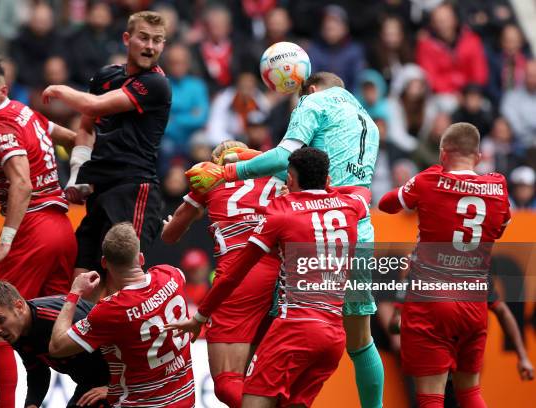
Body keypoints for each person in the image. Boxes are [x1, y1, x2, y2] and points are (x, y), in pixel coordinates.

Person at [186, 72, 384, 408]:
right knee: (362, 342)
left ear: (310, 89)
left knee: (280, 326)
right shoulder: (368, 120)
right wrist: (250, 154)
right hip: (355, 231)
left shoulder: (313, 103)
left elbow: (284, 161)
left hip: (306, 232)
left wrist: (230, 169)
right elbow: (325, 177)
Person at [169, 147, 371, 407]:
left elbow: (233, 275)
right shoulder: (351, 205)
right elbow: (367, 194)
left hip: (294, 327)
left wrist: (199, 318)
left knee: (245, 396)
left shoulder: (283, 210)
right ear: (328, 180)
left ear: (290, 179)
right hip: (333, 336)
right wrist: (251, 156)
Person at [0, 56, 77, 408]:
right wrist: (79, 177)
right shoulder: (29, 114)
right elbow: (75, 139)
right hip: (62, 227)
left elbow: (22, 185)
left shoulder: (0, 126)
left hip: (34, 228)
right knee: (48, 330)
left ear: (2, 89)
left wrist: (4, 243)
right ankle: (103, 387)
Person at [378, 122, 512, 407]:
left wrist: (419, 182)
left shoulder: (428, 180)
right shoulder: (498, 187)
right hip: (473, 302)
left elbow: (387, 204)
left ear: (442, 154)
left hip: (431, 301)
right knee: (471, 392)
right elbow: (502, 226)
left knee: (430, 397)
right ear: (478, 156)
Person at [41, 11, 171, 293]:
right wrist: (77, 175)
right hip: (100, 190)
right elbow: (87, 127)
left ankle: (119, 339)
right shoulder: (106, 76)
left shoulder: (156, 84)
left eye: (157, 40)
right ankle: (82, 337)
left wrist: (61, 89)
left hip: (134, 190)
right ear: (127, 39)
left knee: (119, 287)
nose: (150, 46)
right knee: (81, 285)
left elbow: (93, 107)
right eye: (144, 38)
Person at [162, 140, 281, 407]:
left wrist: (171, 224)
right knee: (267, 378)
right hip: (285, 277)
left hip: (240, 280)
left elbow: (170, 236)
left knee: (228, 382)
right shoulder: (275, 172)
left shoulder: (210, 177)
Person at [49, 222, 194, 407]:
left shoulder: (110, 311)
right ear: (141, 258)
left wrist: (74, 293)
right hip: (185, 401)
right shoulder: (172, 275)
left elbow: (56, 346)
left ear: (104, 263)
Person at [0, 281, 110, 408]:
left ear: (19, 306)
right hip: (92, 384)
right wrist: (32, 404)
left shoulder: (58, 318)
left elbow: (123, 340)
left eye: (0, 320)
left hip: (122, 382)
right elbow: (37, 372)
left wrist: (113, 389)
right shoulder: (17, 331)